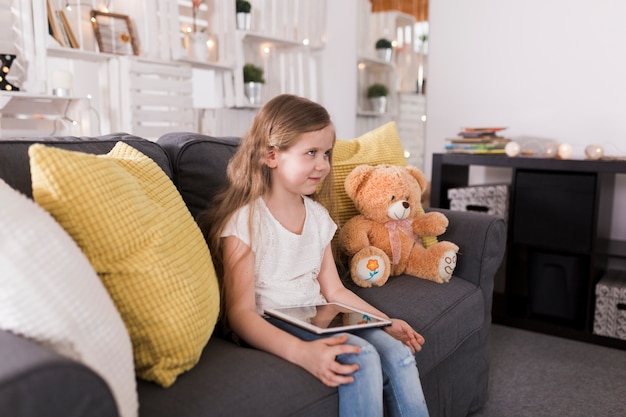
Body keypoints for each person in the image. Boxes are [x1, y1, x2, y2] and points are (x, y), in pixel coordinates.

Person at [202, 94, 429, 417]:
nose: (323, 165)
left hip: (316, 313)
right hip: (272, 318)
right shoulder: (245, 221)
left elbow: (334, 290)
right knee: (361, 356)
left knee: (397, 351)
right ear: (271, 156)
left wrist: (384, 321)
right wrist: (302, 353)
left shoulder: (319, 217)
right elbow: (241, 313)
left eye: (326, 154)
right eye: (311, 153)